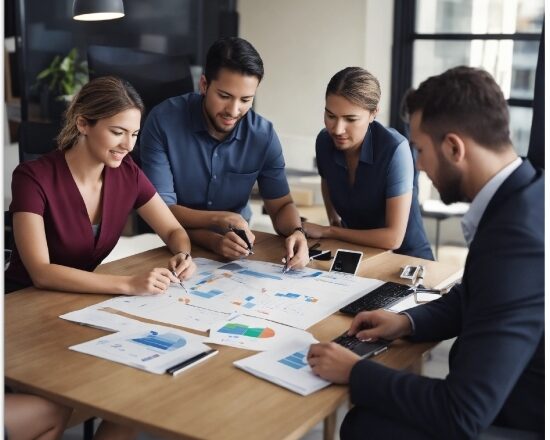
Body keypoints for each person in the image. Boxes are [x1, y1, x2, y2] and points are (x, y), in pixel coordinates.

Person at [307, 66, 544, 439]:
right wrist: (407, 322)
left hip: (519, 414)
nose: (417, 164)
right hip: (509, 392)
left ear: (454, 147)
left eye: (420, 149)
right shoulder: (527, 195)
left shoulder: (518, 244)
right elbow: (479, 295)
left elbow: (461, 413)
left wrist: (354, 372)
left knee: (364, 426)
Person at [5, 76, 196, 295]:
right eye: (117, 132)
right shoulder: (31, 178)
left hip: (78, 298)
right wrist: (129, 284)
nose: (128, 145)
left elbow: (173, 230)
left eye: (134, 134)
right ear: (83, 123)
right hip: (22, 301)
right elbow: (41, 272)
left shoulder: (128, 172)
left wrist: (183, 255)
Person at [140, 37, 309, 270]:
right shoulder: (162, 122)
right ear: (204, 85)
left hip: (238, 252)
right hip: (173, 247)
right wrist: (218, 225)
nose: (233, 110)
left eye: (246, 100)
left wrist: (297, 232)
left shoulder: (263, 135)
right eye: (224, 96)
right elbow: (162, 209)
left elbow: (281, 206)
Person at [303, 67, 433, 259]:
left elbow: (393, 238)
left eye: (350, 119)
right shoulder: (324, 141)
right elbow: (327, 178)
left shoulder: (395, 149)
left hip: (405, 259)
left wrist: (330, 230)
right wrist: (334, 218)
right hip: (357, 254)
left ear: (373, 113)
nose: (337, 129)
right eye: (330, 116)